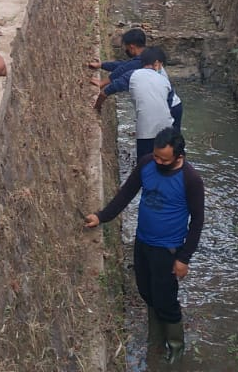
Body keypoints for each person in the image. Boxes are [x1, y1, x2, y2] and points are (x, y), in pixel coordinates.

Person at [85, 128, 205, 364]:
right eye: (156, 156)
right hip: (143, 243)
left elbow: (198, 221)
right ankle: (156, 339)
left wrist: (184, 258)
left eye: (164, 159)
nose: (158, 161)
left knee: (165, 298)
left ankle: (176, 345)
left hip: (168, 250)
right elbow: (126, 194)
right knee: (146, 291)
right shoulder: (147, 164)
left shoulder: (191, 179)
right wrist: (101, 216)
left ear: (179, 156)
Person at [91, 35, 184, 136]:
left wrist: (97, 105)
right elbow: (123, 66)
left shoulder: (136, 72)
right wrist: (102, 65)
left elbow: (114, 81)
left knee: (169, 139)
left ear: (131, 47)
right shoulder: (147, 60)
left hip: (170, 106)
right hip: (170, 105)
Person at [95, 47, 175, 159]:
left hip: (146, 131)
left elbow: (104, 93)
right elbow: (169, 105)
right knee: (165, 161)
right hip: (167, 127)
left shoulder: (132, 75)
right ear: (157, 64)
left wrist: (97, 108)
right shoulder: (164, 81)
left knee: (144, 162)